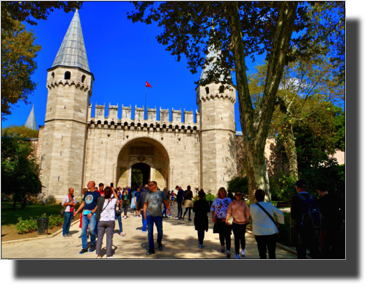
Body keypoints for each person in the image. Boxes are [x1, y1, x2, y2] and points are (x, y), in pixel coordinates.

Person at [291, 180, 321, 259]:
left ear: (297, 188)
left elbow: (293, 215)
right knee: (315, 251)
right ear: (306, 187)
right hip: (313, 228)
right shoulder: (313, 197)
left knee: (301, 253)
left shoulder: (295, 198)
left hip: (301, 229)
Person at [250, 189, 284, 259]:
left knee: (262, 254)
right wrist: (278, 222)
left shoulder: (252, 207)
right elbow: (280, 213)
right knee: (272, 253)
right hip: (271, 231)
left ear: (255, 197)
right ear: (264, 196)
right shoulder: (269, 205)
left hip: (259, 233)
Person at [316, 183, 344, 259]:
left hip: (327, 228)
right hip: (337, 227)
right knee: (337, 249)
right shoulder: (336, 198)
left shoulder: (321, 201)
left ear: (319, 191)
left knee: (325, 249)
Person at [143, 181, 171, 255]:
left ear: (154, 185)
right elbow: (145, 204)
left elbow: (165, 202)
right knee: (150, 232)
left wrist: (168, 210)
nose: (148, 187)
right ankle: (151, 248)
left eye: (150, 185)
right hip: (149, 215)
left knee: (160, 231)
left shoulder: (161, 193)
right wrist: (144, 213)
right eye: (148, 185)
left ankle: (159, 242)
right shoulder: (148, 194)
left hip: (158, 215)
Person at [74, 181, 102, 254]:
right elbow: (83, 203)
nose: (87, 185)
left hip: (92, 214)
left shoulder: (97, 193)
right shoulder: (87, 193)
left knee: (91, 230)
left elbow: (99, 204)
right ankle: (84, 247)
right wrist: (77, 211)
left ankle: (93, 243)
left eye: (88, 184)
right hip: (85, 214)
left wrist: (92, 212)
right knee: (83, 231)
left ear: (92, 185)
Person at [95, 186, 119, 258]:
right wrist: (113, 191)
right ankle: (108, 254)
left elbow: (101, 198)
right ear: (111, 193)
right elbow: (117, 199)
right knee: (109, 237)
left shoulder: (100, 200)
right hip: (110, 221)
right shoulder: (113, 200)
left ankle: (99, 254)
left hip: (101, 220)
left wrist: (105, 193)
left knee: (99, 237)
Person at [226, 190, 250, 258]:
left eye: (240, 194)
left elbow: (247, 211)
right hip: (235, 223)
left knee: (242, 237)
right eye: (237, 194)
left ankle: (243, 250)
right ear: (235, 195)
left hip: (243, 223)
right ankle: (237, 253)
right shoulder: (232, 203)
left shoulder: (244, 203)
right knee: (236, 238)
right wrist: (226, 220)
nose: (239, 196)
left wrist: (247, 217)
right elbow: (229, 212)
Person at [210, 187, 232, 258]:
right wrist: (213, 217)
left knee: (228, 235)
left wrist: (231, 218)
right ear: (219, 192)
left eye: (223, 191)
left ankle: (228, 250)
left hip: (227, 220)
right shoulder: (216, 200)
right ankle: (222, 245)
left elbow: (232, 209)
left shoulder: (228, 200)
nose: (222, 193)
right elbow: (212, 209)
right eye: (221, 192)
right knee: (221, 234)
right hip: (219, 220)